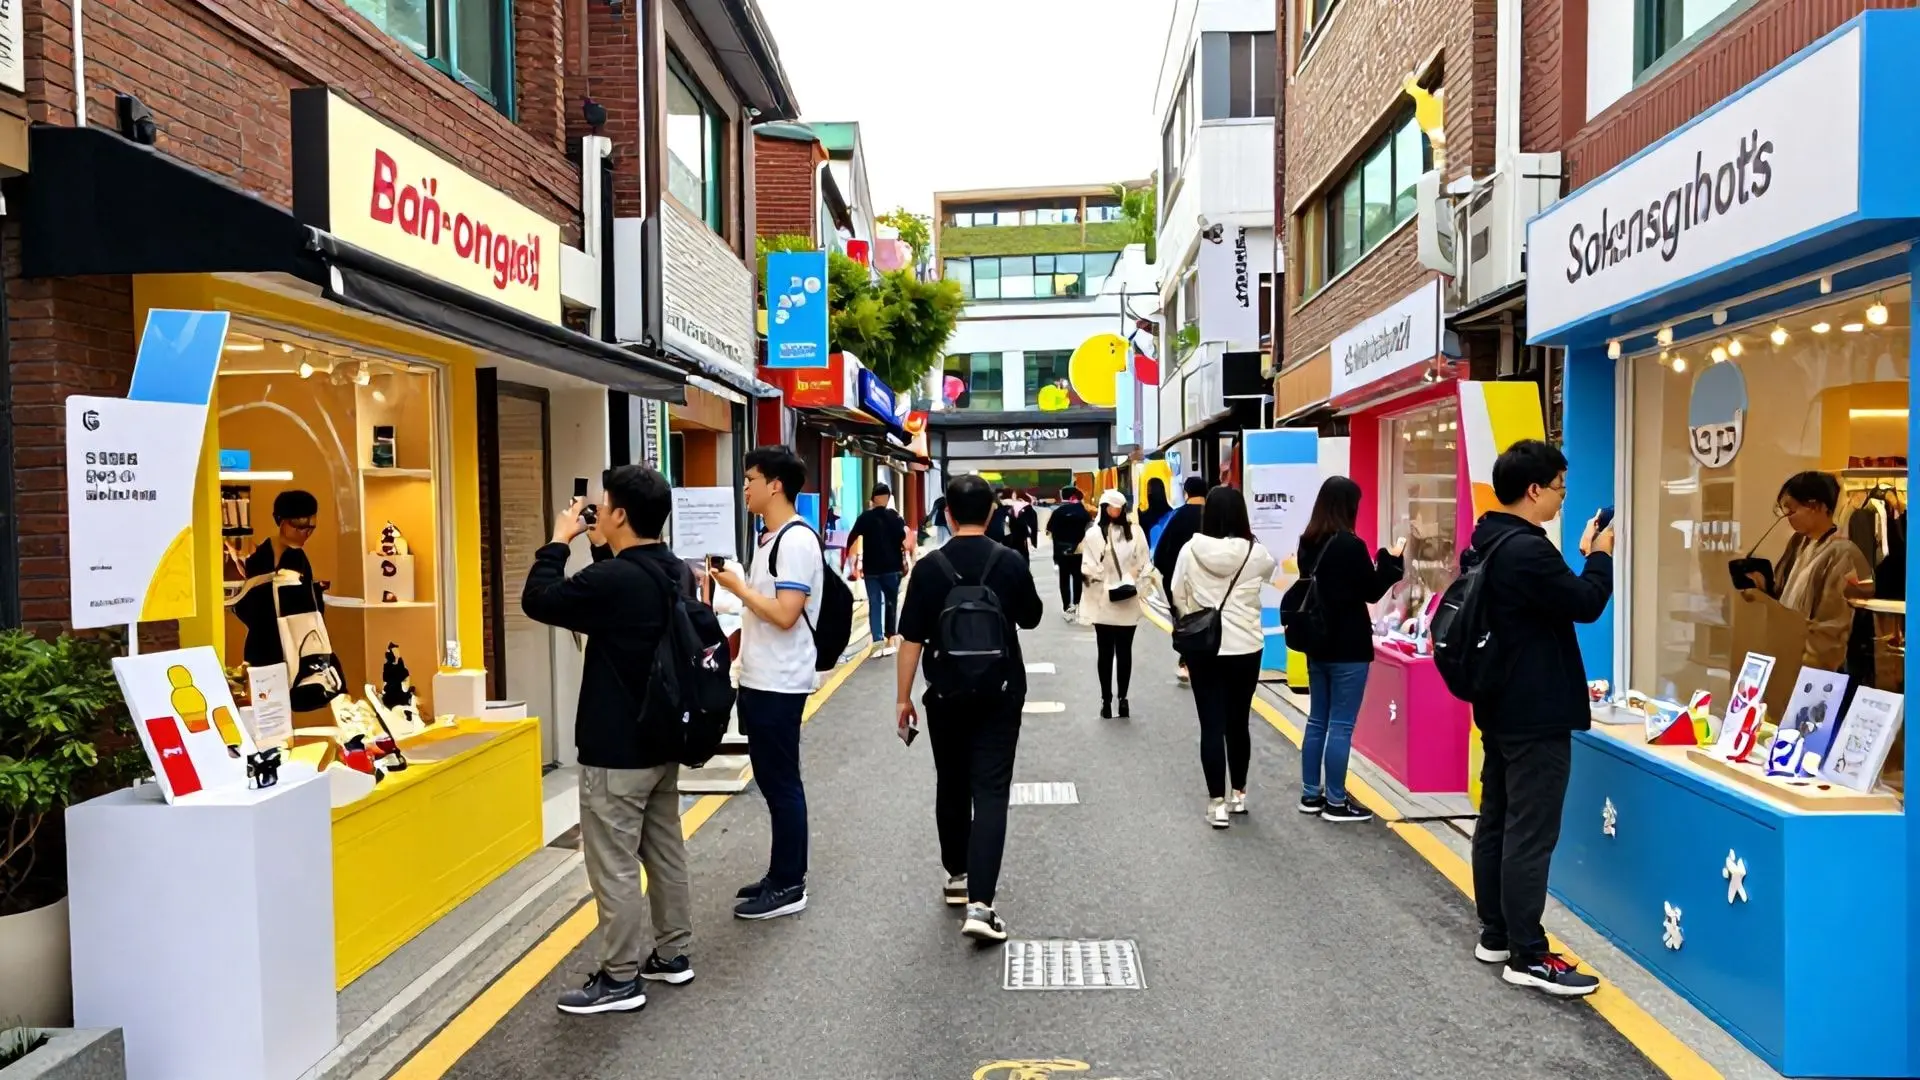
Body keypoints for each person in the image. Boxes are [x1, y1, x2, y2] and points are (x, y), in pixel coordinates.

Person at [521, 465, 695, 1015]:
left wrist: (558, 541)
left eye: (603, 505)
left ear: (619, 514)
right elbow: (617, 608)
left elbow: (539, 599)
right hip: (663, 738)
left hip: (615, 745)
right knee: (664, 850)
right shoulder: (674, 571)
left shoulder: (616, 580)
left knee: (614, 863)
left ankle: (620, 978)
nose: (593, 511)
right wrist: (601, 550)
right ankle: (673, 954)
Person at [1466, 439, 1613, 998]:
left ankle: (1498, 932)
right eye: (1559, 488)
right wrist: (1600, 556)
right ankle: (1528, 953)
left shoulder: (1489, 539)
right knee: (1530, 832)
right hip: (1536, 711)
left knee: (1499, 820)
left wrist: (1576, 555)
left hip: (1502, 705)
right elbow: (1584, 603)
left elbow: (1548, 600)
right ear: (1534, 489)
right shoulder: (1527, 550)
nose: (1561, 498)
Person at [896, 475, 1044, 942]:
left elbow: (912, 638)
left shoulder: (929, 567)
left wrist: (902, 698)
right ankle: (982, 905)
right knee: (992, 791)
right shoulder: (1009, 561)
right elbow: (1032, 617)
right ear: (993, 512)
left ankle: (956, 874)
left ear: (947, 515)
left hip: (945, 694)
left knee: (952, 782)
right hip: (1001, 692)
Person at [711, 446, 824, 921]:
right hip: (762, 677)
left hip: (780, 681)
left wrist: (738, 590)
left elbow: (785, 613)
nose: (746, 488)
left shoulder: (795, 541)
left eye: (751, 479)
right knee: (772, 779)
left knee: (781, 782)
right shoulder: (769, 538)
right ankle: (780, 873)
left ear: (775, 484)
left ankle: (789, 883)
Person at [1294, 477, 1406, 824]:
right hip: (1349, 648)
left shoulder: (1308, 542)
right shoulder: (1350, 545)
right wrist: (1391, 560)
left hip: (1317, 644)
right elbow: (1371, 591)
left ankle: (1311, 794)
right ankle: (1337, 802)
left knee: (1317, 720)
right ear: (1348, 506)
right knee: (1341, 725)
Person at [1169, 487, 1277, 828]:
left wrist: (1195, 613)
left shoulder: (1190, 549)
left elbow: (1176, 592)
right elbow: (1270, 575)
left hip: (1206, 647)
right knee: (1238, 721)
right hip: (1246, 645)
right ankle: (1239, 795)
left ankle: (1216, 803)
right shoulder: (1256, 552)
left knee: (1211, 725)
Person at [1742, 471, 1874, 672]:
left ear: (1817, 506)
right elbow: (1782, 596)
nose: (1787, 518)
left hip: (1808, 666)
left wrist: (1805, 670)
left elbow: (1830, 629)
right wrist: (1762, 588)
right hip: (1785, 655)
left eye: (1791, 511)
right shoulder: (1798, 542)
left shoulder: (1843, 554)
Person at [1078, 489, 1155, 719]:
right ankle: (1122, 699)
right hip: (1128, 598)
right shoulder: (1136, 532)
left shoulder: (1093, 535)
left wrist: (1104, 577)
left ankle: (1107, 701)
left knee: (1105, 652)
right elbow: (1145, 564)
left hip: (1103, 600)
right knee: (1124, 652)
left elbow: (1087, 569)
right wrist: (1132, 580)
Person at [235, 490, 329, 671]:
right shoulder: (259, 557)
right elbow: (248, 607)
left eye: (311, 527)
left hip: (295, 648)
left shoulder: (297, 557)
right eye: (299, 526)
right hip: (267, 648)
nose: (306, 533)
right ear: (280, 520)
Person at [845, 482, 915, 657]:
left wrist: (850, 559)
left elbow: (852, 536)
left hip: (872, 569)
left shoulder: (865, 518)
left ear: (873, 499)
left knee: (875, 603)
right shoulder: (896, 517)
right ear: (888, 498)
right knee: (891, 603)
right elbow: (902, 539)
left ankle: (877, 638)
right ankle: (891, 634)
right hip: (893, 568)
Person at [1152, 476, 1210, 684]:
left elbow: (1160, 555)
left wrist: (1169, 578)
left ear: (1186, 492)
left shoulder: (1178, 517)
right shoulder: (1215, 515)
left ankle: (1186, 662)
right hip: (1212, 582)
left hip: (1182, 581)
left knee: (1186, 622)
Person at [1045, 486, 1093, 619]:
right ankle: (1078, 604)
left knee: (1064, 579)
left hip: (1061, 551)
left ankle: (1067, 606)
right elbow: (1090, 531)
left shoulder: (1058, 512)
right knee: (1078, 578)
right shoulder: (1083, 512)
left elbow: (1049, 530)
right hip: (1079, 551)